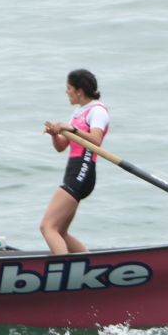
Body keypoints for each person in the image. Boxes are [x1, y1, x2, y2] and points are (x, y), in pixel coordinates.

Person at [40, 68, 109, 253]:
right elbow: (62, 146)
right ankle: (88, 267)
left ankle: (63, 272)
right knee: (60, 231)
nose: (67, 92)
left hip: (83, 171)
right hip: (74, 172)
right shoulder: (78, 113)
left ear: (80, 91)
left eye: (69, 88)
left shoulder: (97, 111)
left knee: (47, 226)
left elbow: (96, 140)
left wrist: (70, 129)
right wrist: (55, 134)